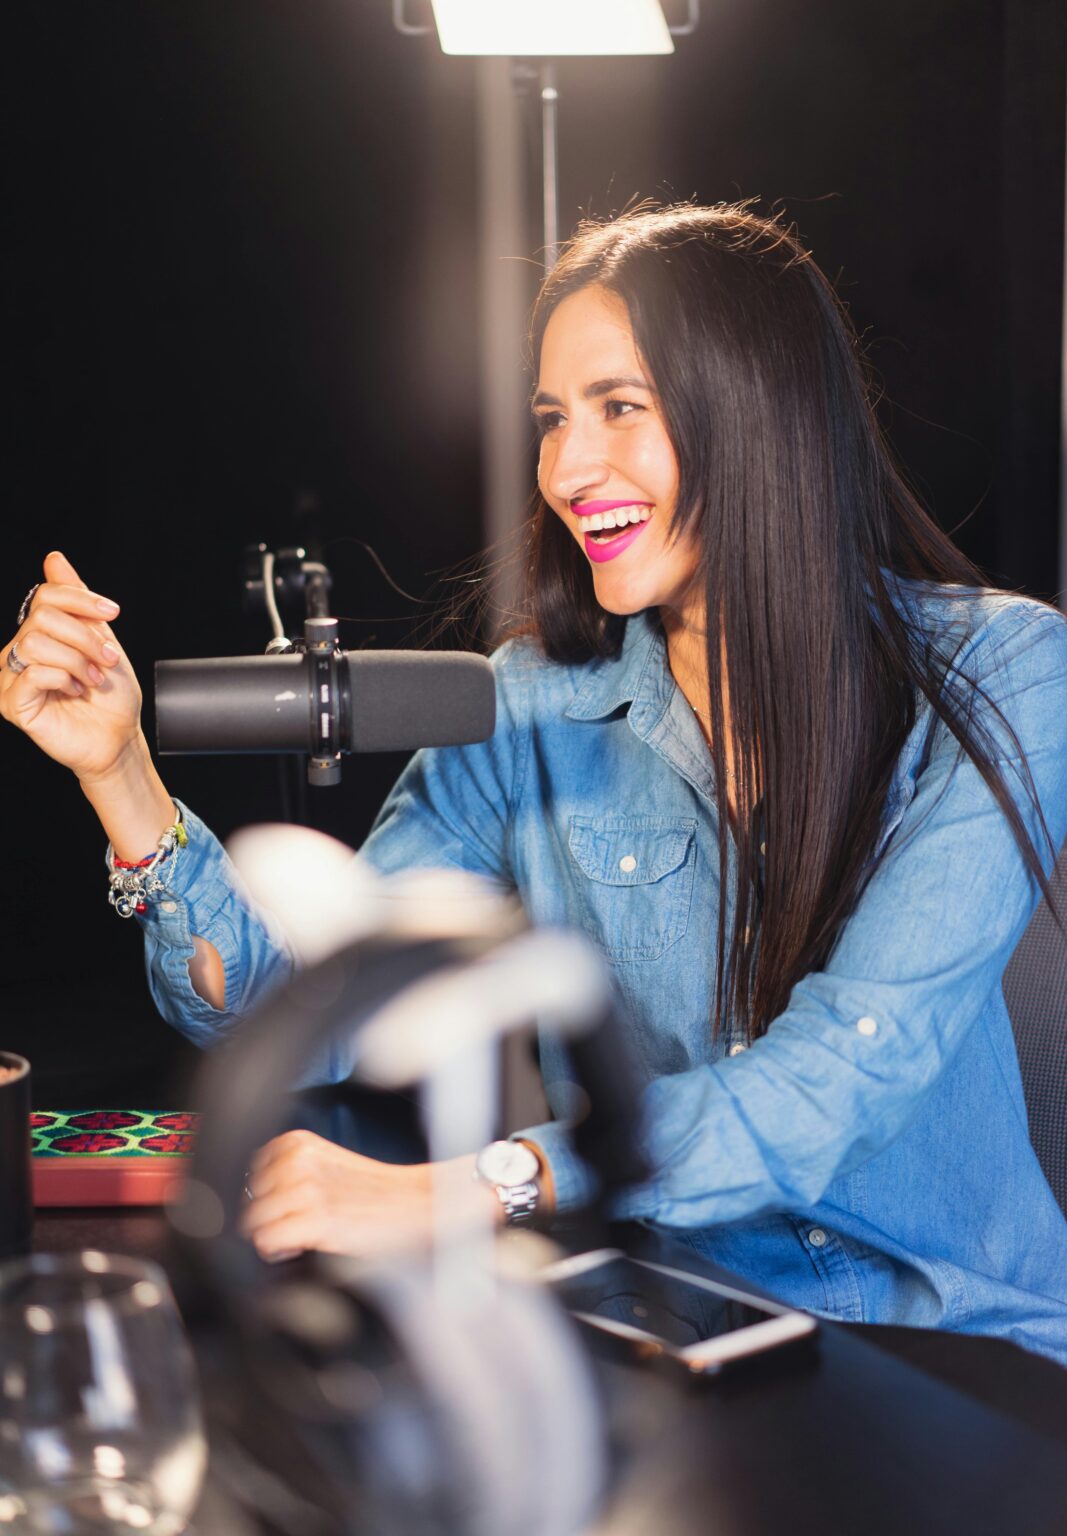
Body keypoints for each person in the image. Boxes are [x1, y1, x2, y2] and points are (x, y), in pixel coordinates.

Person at [4, 203, 1067, 1362]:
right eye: (552, 419)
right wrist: (121, 775)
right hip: (669, 1323)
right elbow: (299, 1015)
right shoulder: (526, 702)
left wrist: (473, 1184)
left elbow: (846, 1074)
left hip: (960, 1346)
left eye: (621, 408)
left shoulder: (1002, 673)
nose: (565, 467)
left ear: (761, 411)